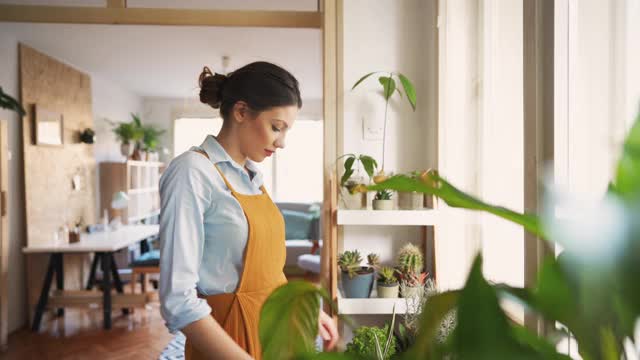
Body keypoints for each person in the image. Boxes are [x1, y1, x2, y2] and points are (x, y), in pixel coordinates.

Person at [158, 61, 338, 359]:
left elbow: (266, 271)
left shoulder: (252, 177)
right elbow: (177, 299)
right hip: (228, 343)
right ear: (240, 112)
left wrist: (307, 312)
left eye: (286, 131)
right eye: (276, 127)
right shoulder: (192, 172)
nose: (281, 142)